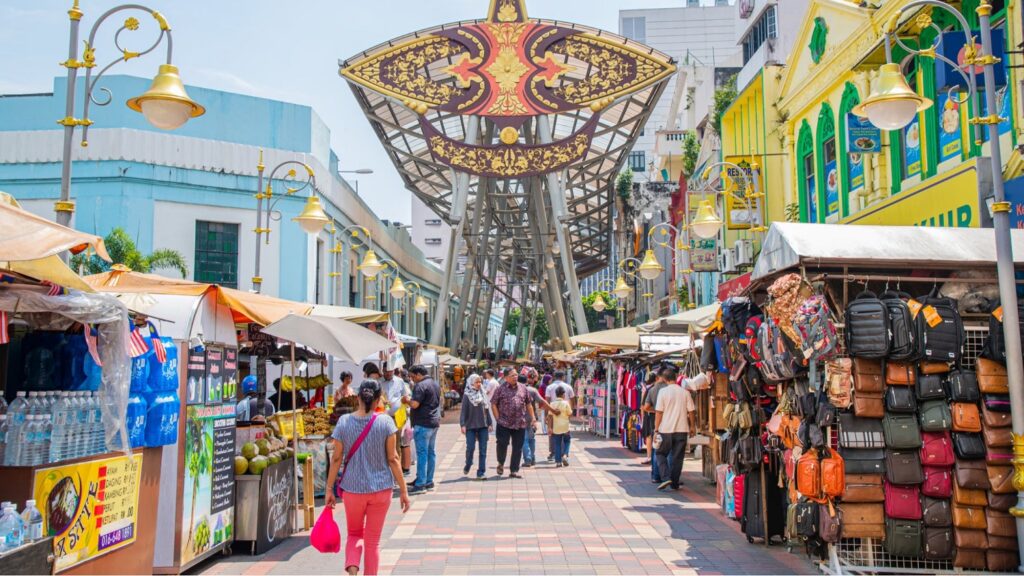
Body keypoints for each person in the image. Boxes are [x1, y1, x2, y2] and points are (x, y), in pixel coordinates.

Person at [325, 380, 410, 576]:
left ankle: (353, 569)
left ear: (357, 398)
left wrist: (329, 489)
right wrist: (404, 491)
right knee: (372, 542)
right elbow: (393, 458)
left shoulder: (344, 421)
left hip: (353, 490)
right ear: (378, 399)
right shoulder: (386, 422)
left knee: (354, 534)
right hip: (381, 490)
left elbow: (336, 458)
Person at [654, 366, 707, 491]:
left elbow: (659, 412)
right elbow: (692, 411)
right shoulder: (684, 392)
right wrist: (693, 426)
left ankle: (666, 477)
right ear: (676, 378)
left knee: (660, 453)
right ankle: (674, 482)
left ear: (665, 380)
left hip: (666, 430)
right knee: (678, 458)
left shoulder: (663, 392)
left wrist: (656, 428)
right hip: (682, 430)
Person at [490, 368, 535, 478]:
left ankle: (514, 470)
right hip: (504, 423)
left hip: (520, 423)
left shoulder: (523, 388)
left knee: (518, 447)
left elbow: (529, 404)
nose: (515, 377)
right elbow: (493, 404)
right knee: (502, 443)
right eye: (512, 375)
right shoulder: (500, 389)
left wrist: (533, 418)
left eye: (516, 375)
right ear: (505, 377)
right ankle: (500, 463)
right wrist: (497, 418)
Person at [407, 365, 441, 495]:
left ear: (418, 374)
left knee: (422, 453)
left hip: (423, 423)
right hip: (433, 422)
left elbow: (415, 404)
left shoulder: (420, 385)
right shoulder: (434, 384)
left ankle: (421, 484)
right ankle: (428, 480)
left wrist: (406, 400)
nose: (412, 379)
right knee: (431, 453)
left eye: (412, 376)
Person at [522, 368, 557, 467]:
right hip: (531, 417)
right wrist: (552, 410)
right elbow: (542, 401)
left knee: (524, 439)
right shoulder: (533, 390)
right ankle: (532, 458)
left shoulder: (517, 389)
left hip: (521, 418)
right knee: (531, 439)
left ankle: (528, 458)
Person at [460, 374, 492, 480]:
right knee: (470, 448)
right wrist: (462, 425)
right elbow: (463, 411)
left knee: (483, 450)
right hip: (470, 426)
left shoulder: (483, 393)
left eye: (480, 382)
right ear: (471, 383)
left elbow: (487, 410)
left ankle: (481, 472)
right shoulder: (466, 395)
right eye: (477, 382)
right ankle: (468, 463)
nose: (479, 384)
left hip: (483, 425)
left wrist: (490, 423)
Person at [383, 364, 413, 475]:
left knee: (396, 444)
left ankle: (397, 471)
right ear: (383, 371)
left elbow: (406, 396)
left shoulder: (399, 382)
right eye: (386, 371)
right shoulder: (380, 382)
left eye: (390, 371)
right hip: (383, 417)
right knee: (384, 443)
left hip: (397, 417)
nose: (388, 373)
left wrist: (404, 401)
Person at [642, 368, 669, 484]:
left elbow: (645, 407)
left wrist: (656, 411)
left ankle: (655, 475)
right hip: (669, 423)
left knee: (656, 449)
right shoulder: (669, 389)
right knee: (668, 451)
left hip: (655, 423)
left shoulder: (652, 390)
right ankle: (668, 476)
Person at [544, 370, 575, 462]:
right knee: (565, 434)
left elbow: (547, 401)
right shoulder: (568, 387)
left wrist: (547, 415)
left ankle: (553, 453)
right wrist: (571, 411)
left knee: (553, 434)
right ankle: (564, 453)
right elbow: (573, 400)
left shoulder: (549, 387)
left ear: (554, 377)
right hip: (565, 412)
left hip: (552, 412)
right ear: (563, 377)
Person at [638, 372, 658, 466]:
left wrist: (642, 416)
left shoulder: (648, 389)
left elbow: (642, 406)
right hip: (652, 415)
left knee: (649, 436)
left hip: (649, 415)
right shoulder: (653, 389)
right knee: (652, 435)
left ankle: (650, 456)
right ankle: (651, 456)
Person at [549, 387, 572, 468]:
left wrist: (550, 428)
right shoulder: (566, 403)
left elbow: (550, 417)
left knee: (557, 444)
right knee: (567, 442)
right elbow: (569, 413)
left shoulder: (552, 404)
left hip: (556, 427)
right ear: (563, 394)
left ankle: (558, 462)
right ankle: (565, 455)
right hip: (565, 426)